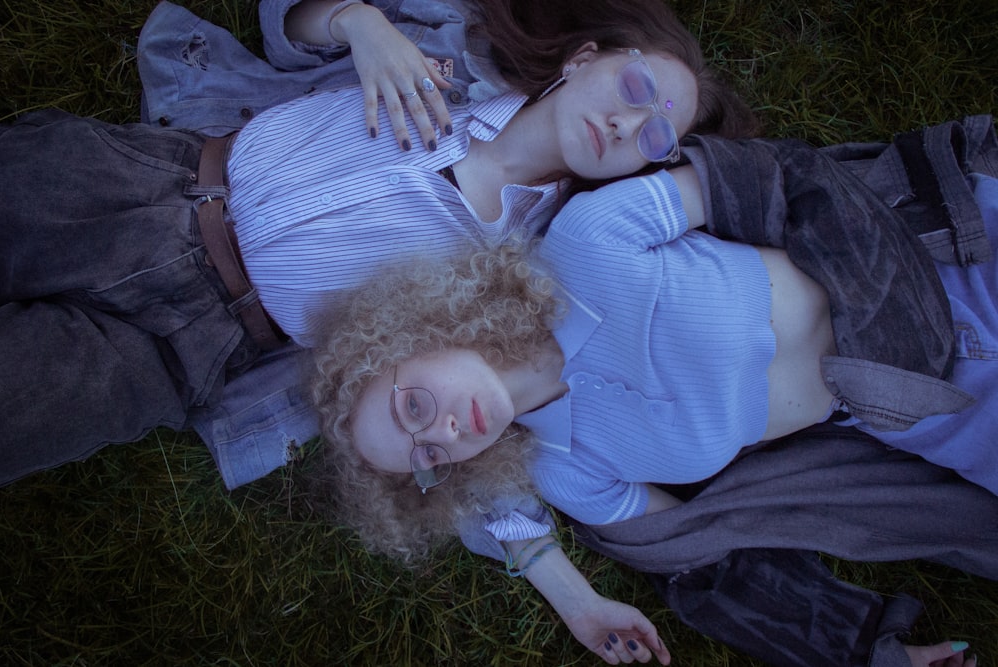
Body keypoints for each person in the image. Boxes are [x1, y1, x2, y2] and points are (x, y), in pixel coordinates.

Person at [310, 119, 998, 665]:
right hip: (931, 412)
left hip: (945, 268)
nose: (447, 435)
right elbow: (709, 553)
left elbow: (768, 177)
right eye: (428, 455)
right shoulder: (567, 470)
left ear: (418, 334)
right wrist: (855, 645)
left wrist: (902, 312)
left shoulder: (584, 246)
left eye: (415, 407)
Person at [0, 0, 757, 488]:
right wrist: (361, 27)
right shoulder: (451, 50)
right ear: (584, 59)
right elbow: (287, 22)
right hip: (145, 185)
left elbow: (494, 434)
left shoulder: (529, 269)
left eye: (654, 134)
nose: (629, 125)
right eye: (633, 90)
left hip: (184, 341)